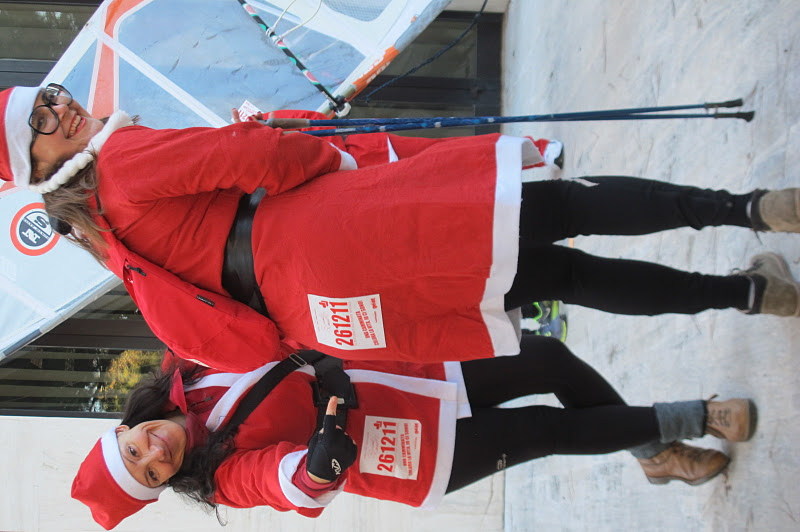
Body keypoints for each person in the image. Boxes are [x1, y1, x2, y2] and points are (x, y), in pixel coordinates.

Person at [1, 83, 799, 369]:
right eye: (39, 121)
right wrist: (323, 158)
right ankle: (749, 209)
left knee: (562, 278)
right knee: (562, 207)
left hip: (326, 310)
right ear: (33, 163)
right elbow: (255, 156)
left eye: (49, 95)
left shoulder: (95, 225)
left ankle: (749, 296)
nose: (58, 108)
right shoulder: (121, 158)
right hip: (328, 231)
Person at [71, 334, 756, 530]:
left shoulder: (185, 363)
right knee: (547, 428)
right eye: (151, 475)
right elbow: (280, 485)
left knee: (547, 358)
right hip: (409, 449)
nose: (157, 453)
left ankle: (653, 453)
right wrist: (317, 467)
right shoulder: (220, 477)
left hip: (405, 374)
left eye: (136, 448)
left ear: (127, 426)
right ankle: (696, 417)